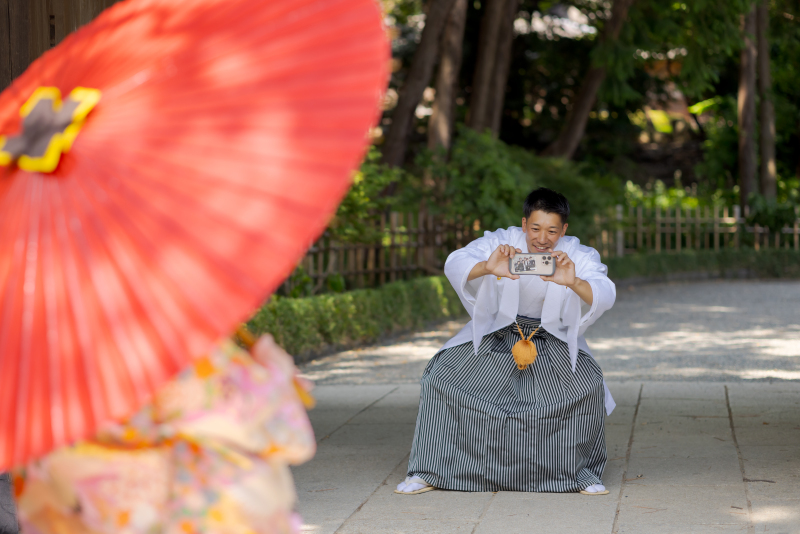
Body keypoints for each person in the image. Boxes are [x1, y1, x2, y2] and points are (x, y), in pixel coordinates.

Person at [396, 187, 616, 495]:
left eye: (552, 230)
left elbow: (605, 291)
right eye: (536, 228)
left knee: (586, 386)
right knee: (440, 378)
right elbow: (455, 261)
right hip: (498, 335)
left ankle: (578, 474)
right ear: (524, 224)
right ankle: (430, 469)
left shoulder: (578, 255)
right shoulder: (502, 242)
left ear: (564, 229)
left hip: (550, 339)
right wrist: (487, 266)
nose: (542, 238)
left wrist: (574, 281)